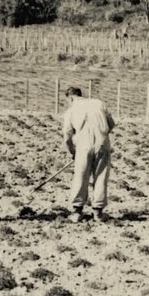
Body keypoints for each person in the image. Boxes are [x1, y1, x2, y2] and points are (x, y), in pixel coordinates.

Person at [62, 86, 115, 223]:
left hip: (83, 144)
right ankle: (98, 213)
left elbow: (67, 137)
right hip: (103, 143)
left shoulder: (71, 110)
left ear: (71, 97)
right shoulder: (98, 103)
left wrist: (72, 152)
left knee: (81, 176)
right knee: (101, 176)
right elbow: (111, 124)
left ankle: (77, 212)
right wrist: (101, 136)